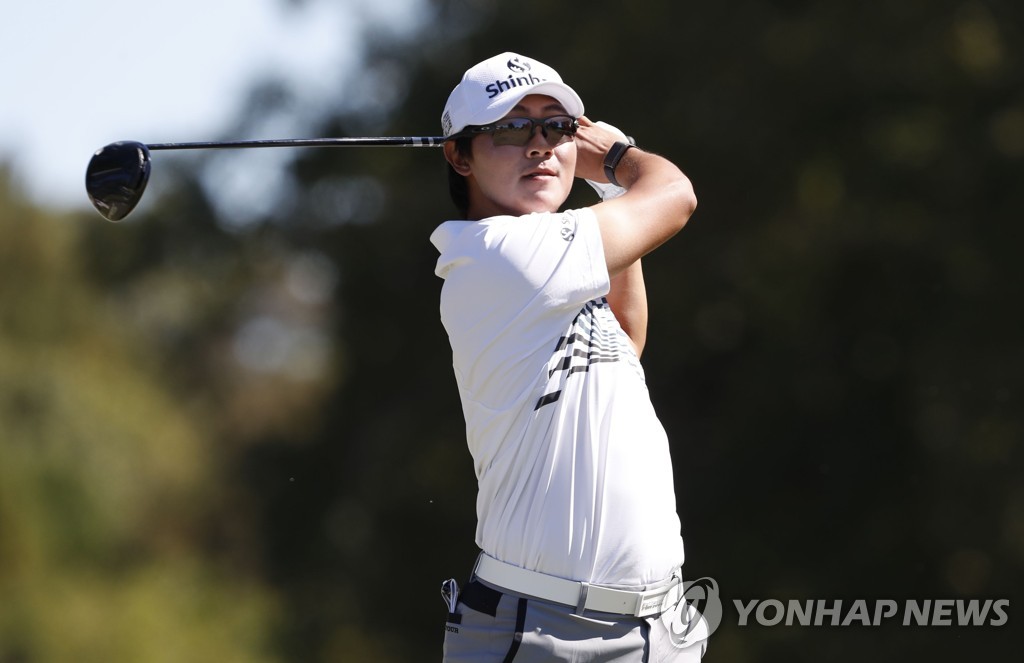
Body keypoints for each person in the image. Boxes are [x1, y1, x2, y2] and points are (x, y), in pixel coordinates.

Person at [430, 52, 703, 662]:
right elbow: (675, 194)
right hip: (541, 633)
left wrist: (604, 183)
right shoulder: (499, 255)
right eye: (510, 127)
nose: (539, 145)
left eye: (556, 127)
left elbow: (625, 339)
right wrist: (615, 156)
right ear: (459, 154)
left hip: (659, 630)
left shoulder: (552, 266)